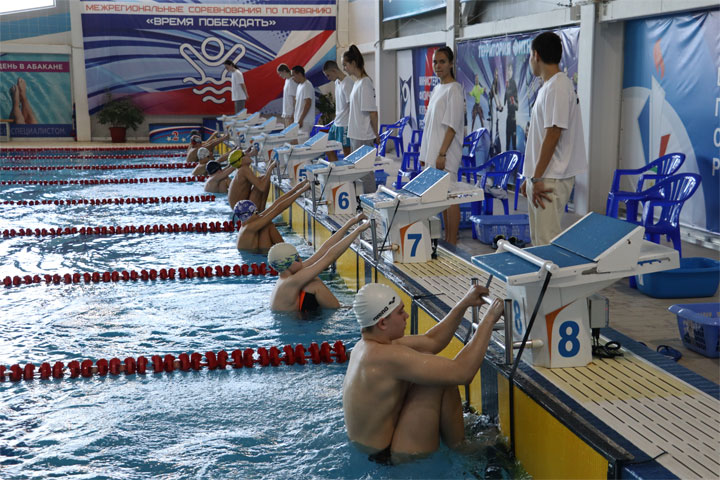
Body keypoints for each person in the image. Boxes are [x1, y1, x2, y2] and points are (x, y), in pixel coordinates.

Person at [343, 283, 504, 464]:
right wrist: (489, 319)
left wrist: (464, 303)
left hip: (374, 448)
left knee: (432, 364)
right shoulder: (386, 356)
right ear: (382, 323)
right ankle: (460, 446)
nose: (406, 316)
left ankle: (454, 433)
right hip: (394, 455)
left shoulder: (366, 346)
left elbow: (432, 341)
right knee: (441, 375)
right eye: (400, 312)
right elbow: (463, 373)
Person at [520, 31, 587, 246]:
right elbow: (541, 137)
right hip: (542, 176)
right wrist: (530, 176)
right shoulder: (548, 86)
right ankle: (541, 281)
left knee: (546, 244)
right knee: (539, 240)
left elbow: (554, 133)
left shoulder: (558, 86)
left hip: (550, 178)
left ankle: (550, 281)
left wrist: (537, 177)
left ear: (536, 55)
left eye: (530, 56)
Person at [268, 213, 370, 313]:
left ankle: (340, 308)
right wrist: (358, 231)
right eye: (297, 258)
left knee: (311, 283)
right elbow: (330, 257)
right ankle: (341, 310)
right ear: (287, 265)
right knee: (314, 284)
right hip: (296, 326)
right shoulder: (290, 282)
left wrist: (351, 222)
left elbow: (322, 252)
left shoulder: (287, 275)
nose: (300, 260)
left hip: (298, 319)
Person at [418, 46, 464, 245]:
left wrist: (442, 154)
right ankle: (446, 240)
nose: (438, 66)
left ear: (451, 63)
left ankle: (452, 242)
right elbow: (430, 126)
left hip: (446, 154)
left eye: (442, 61)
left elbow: (452, 126)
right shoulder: (437, 89)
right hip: (433, 153)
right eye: (435, 62)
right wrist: (424, 154)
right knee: (442, 199)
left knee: (450, 197)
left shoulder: (454, 89)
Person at [343, 45, 379, 193]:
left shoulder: (365, 83)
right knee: (357, 172)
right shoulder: (357, 82)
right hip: (355, 134)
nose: (344, 68)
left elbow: (372, 112)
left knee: (365, 173)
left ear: (353, 63)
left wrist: (376, 134)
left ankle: (370, 204)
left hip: (363, 135)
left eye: (345, 64)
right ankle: (361, 203)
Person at [236, 180, 310, 251]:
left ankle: (287, 250)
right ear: (247, 216)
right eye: (255, 213)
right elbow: (278, 209)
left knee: (266, 224)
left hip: (259, 252)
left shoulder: (248, 222)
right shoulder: (249, 228)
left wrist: (298, 188)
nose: (257, 214)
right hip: (258, 256)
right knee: (268, 224)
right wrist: (301, 190)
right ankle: (288, 252)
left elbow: (275, 205)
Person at [322, 60, 354, 159]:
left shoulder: (348, 83)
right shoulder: (337, 82)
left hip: (345, 125)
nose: (328, 78)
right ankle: (336, 172)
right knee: (327, 148)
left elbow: (352, 106)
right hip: (337, 123)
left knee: (347, 155)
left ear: (334, 71)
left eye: (328, 75)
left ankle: (347, 173)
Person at [291, 66, 316, 143]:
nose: (292, 78)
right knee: (300, 144)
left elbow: (308, 103)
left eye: (293, 75)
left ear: (299, 74)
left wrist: (301, 119)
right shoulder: (299, 86)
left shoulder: (307, 85)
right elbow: (298, 104)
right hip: (300, 120)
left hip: (305, 121)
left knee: (303, 145)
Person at [504, 62, 518, 151]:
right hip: (508, 118)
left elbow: (517, 106)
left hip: (513, 118)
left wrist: (513, 102)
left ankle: (516, 164)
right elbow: (504, 103)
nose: (508, 72)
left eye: (510, 70)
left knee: (513, 145)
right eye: (507, 70)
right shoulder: (507, 84)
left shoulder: (513, 84)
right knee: (507, 143)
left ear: (512, 71)